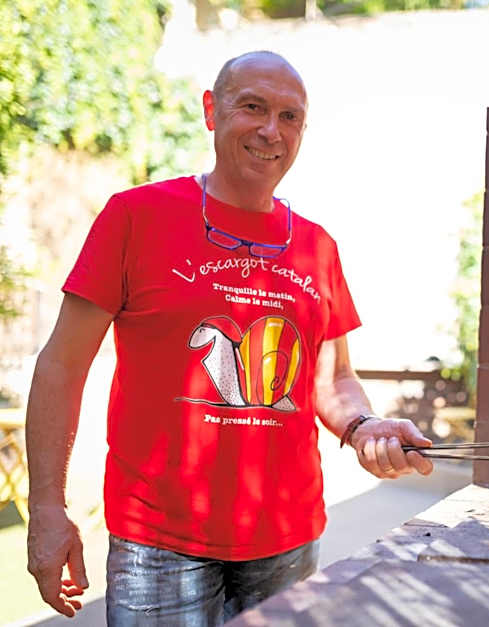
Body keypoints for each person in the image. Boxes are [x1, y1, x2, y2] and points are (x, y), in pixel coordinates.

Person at [24, 50, 434, 625]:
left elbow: (332, 377)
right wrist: (46, 507)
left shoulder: (318, 247)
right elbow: (61, 366)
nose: (272, 130)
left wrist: (365, 427)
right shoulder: (135, 216)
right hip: (159, 542)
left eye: (290, 117)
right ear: (212, 111)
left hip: (289, 540)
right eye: (254, 107)